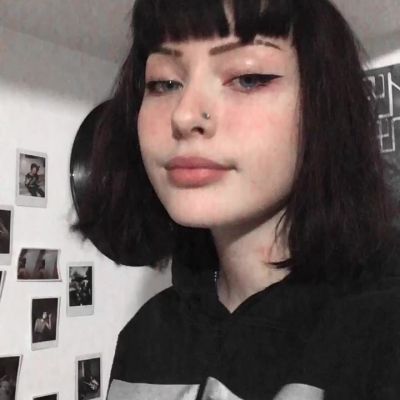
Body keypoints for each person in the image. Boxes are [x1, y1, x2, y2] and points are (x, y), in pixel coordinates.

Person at [74, 0, 400, 399]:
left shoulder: (382, 336)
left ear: (326, 107)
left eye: (248, 78)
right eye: (164, 83)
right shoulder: (144, 338)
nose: (184, 115)